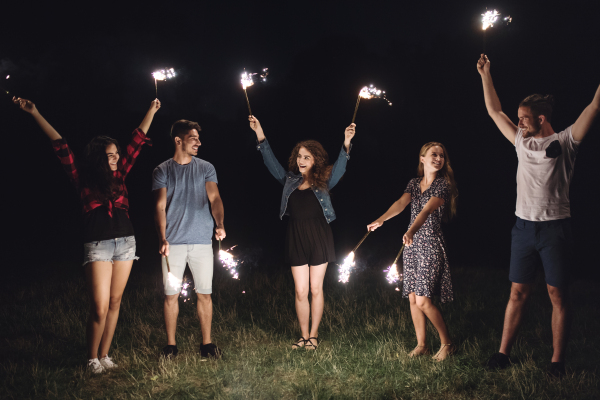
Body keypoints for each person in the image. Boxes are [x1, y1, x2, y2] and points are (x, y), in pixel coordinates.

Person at [14, 96, 160, 373]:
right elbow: (61, 145)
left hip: (126, 242)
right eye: (111, 154)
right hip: (98, 245)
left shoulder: (121, 174)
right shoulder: (83, 177)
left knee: (116, 302)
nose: (117, 157)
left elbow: (137, 141)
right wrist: (35, 112)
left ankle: (105, 355)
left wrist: (151, 110)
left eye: (117, 152)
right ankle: (92, 358)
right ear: (98, 158)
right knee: (99, 306)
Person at [477, 54, 600, 377]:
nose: (519, 122)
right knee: (518, 291)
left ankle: (557, 360)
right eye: (518, 117)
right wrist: (485, 73)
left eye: (524, 118)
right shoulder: (520, 142)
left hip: (554, 229)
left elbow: (593, 108)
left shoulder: (566, 141)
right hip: (523, 228)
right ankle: (503, 354)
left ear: (542, 118)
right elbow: (494, 111)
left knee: (557, 293)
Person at [248, 115, 355, 350]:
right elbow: (270, 161)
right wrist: (260, 134)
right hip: (296, 236)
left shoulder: (325, 180)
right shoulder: (289, 180)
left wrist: (347, 141)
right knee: (300, 290)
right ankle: (303, 335)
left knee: (316, 289)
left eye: (307, 156)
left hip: (319, 236)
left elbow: (340, 166)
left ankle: (314, 336)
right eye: (299, 156)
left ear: (315, 160)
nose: (301, 160)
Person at [368, 142, 458, 361]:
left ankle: (448, 344)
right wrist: (381, 220)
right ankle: (422, 345)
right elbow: (401, 203)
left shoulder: (442, 185)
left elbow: (426, 211)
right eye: (433, 154)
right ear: (422, 158)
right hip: (411, 247)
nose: (438, 158)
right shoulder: (414, 183)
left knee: (423, 300)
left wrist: (411, 231)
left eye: (442, 155)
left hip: (429, 245)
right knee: (411, 298)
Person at [152, 119, 226, 359]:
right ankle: (171, 346)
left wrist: (220, 223)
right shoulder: (162, 170)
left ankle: (207, 345)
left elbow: (214, 198)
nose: (199, 143)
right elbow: (160, 206)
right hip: (173, 243)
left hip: (202, 242)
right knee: (171, 294)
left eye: (198, 138)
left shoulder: (206, 167)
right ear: (178, 140)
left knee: (204, 293)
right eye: (194, 138)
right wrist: (162, 238)